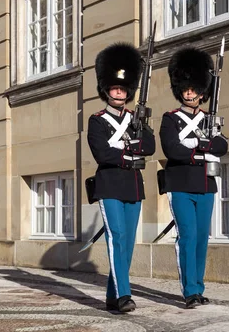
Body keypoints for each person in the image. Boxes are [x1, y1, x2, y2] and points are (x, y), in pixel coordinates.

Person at [87, 42, 155, 313]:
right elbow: (102, 153)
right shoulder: (97, 120)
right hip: (110, 185)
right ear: (106, 89)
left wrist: (130, 141)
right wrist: (129, 150)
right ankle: (125, 295)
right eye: (114, 87)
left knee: (126, 242)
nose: (119, 91)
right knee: (115, 237)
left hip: (133, 187)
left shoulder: (135, 118)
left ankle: (113, 296)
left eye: (123, 88)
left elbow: (148, 147)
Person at [159, 47, 228, 309]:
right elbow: (171, 149)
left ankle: (199, 288)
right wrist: (202, 148)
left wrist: (198, 147)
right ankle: (189, 290)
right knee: (187, 237)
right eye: (185, 87)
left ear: (202, 90)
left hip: (206, 185)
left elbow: (221, 146)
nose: (189, 92)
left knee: (201, 238)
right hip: (181, 185)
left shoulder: (209, 119)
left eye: (194, 87)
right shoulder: (171, 119)